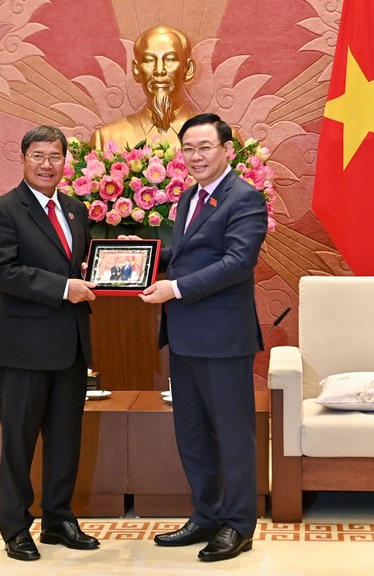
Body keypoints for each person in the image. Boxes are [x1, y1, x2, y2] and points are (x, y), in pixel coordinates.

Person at [140, 113, 267, 562]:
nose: (195, 157)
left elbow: (238, 262)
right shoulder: (189, 197)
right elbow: (186, 254)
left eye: (204, 148)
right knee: (192, 433)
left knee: (232, 434)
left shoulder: (245, 198)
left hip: (223, 337)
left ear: (227, 150)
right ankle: (207, 514)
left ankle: (239, 525)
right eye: (188, 149)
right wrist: (140, 258)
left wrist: (174, 288)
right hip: (185, 334)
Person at [0, 125, 100, 562]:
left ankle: (58, 519)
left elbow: (79, 263)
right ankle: (15, 526)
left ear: (65, 162)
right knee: (19, 439)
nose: (48, 164)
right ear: (23, 159)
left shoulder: (75, 209)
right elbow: (2, 272)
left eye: (55, 156)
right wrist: (62, 288)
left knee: (66, 438)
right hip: (24, 347)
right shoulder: (2, 210)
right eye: (39, 156)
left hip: (70, 343)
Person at [90, 25, 196, 149]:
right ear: (136, 69)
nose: (159, 70)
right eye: (149, 60)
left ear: (188, 69)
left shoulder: (215, 138)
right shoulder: (106, 139)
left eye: (170, 60)